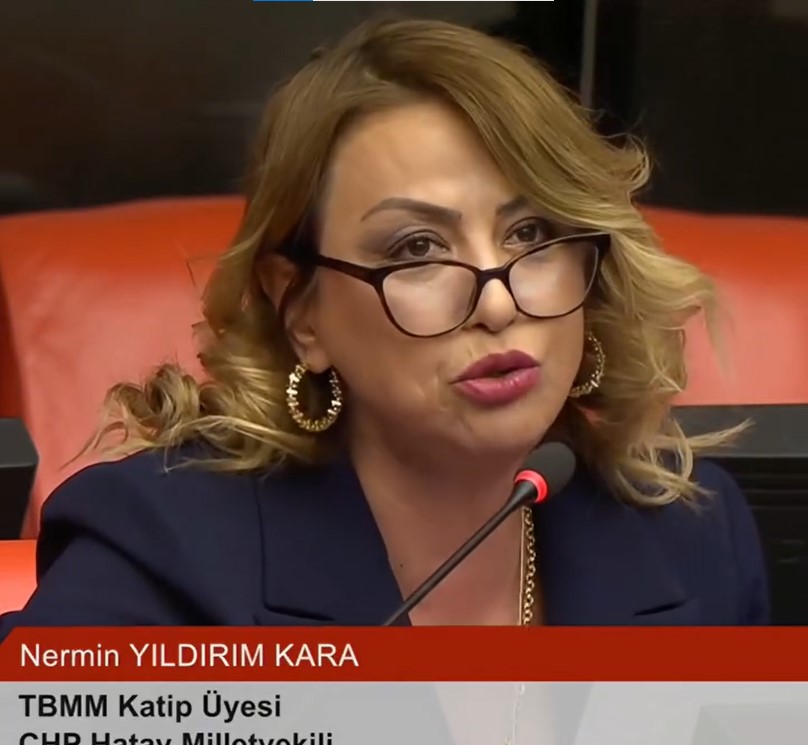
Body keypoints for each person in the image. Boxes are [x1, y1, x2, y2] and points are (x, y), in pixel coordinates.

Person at [0, 18, 768, 635]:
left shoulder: (693, 533)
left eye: (531, 234)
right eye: (416, 249)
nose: (497, 304)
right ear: (301, 310)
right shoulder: (169, 550)